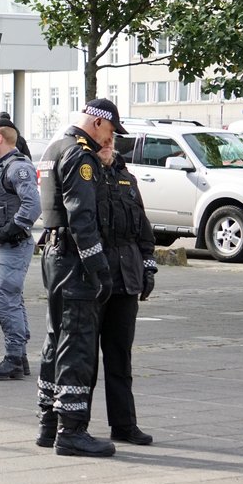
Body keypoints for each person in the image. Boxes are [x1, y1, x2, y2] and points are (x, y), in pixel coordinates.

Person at [33, 98, 126, 457]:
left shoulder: (55, 147)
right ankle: (72, 430)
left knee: (55, 338)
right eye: (110, 131)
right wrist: (99, 268)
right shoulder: (80, 155)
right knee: (78, 342)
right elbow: (82, 217)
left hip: (55, 256)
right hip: (74, 259)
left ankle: (48, 423)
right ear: (98, 123)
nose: (110, 139)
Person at [94, 137, 157, 446]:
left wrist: (148, 266)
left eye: (110, 143)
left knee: (120, 359)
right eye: (101, 142)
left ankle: (124, 425)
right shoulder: (84, 174)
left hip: (126, 278)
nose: (107, 146)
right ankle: (73, 426)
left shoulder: (127, 178)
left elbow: (143, 228)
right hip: (93, 281)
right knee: (84, 361)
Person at [0, 118, 41, 380]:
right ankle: (20, 356)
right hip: (2, 243)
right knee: (11, 298)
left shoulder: (18, 167)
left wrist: (10, 229)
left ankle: (14, 358)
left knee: (5, 300)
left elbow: (33, 206)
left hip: (13, 244)